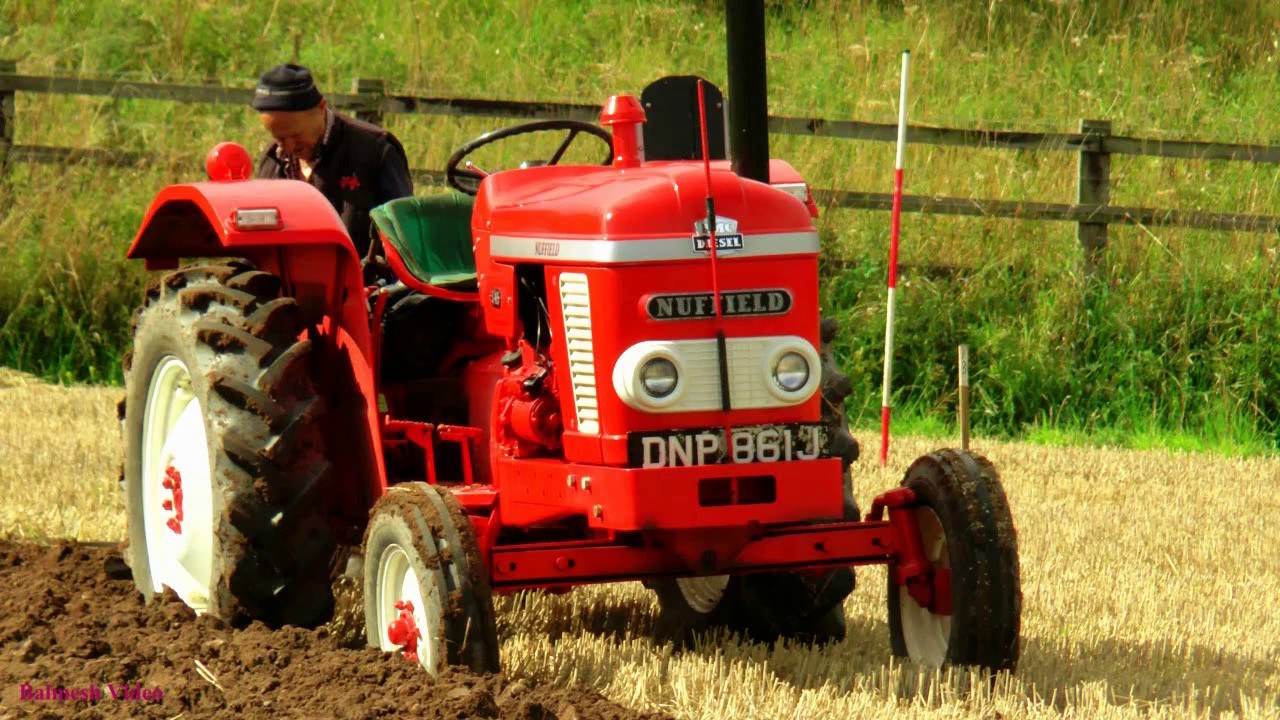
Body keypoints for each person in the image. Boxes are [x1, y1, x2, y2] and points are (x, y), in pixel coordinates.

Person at [251, 63, 413, 259]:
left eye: (296, 135)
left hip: (365, 281)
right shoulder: (272, 160)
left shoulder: (375, 149)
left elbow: (405, 234)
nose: (289, 147)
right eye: (279, 137)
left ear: (321, 108)